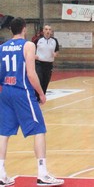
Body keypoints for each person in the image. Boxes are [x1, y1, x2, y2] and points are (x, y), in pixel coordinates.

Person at [0, 17, 64, 186]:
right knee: (39, 129)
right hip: (22, 92)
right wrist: (41, 93)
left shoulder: (2, 47)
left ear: (11, 30)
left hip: (6, 91)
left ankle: (1, 174)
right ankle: (42, 174)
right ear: (24, 28)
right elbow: (31, 73)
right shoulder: (28, 45)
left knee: (4, 133)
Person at [35, 24, 60, 95]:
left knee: (46, 81)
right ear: (43, 31)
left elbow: (57, 50)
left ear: (51, 31)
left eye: (49, 29)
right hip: (39, 63)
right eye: (46, 29)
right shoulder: (38, 40)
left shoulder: (54, 40)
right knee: (39, 79)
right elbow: (32, 48)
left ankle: (42, 95)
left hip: (49, 64)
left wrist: (56, 54)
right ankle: (37, 96)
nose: (48, 31)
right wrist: (34, 55)